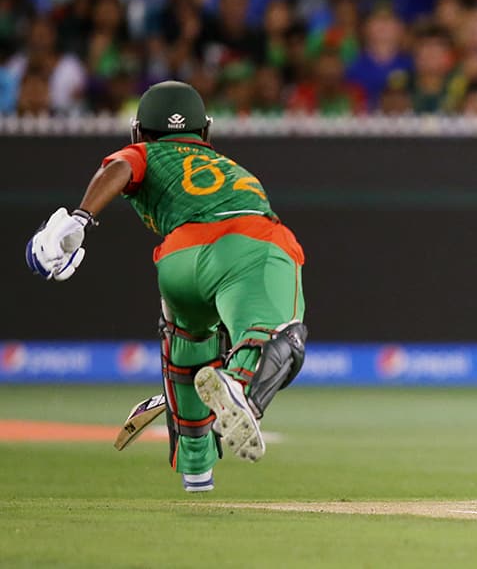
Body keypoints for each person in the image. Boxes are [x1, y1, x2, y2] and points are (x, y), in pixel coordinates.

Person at [25, 80, 307, 493]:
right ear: (204, 132)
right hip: (250, 245)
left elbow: (118, 169)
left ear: (140, 131)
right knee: (280, 337)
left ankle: (197, 474)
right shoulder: (232, 169)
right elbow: (122, 167)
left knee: (188, 352)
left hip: (179, 264)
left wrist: (82, 218)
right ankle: (239, 384)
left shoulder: (145, 153)